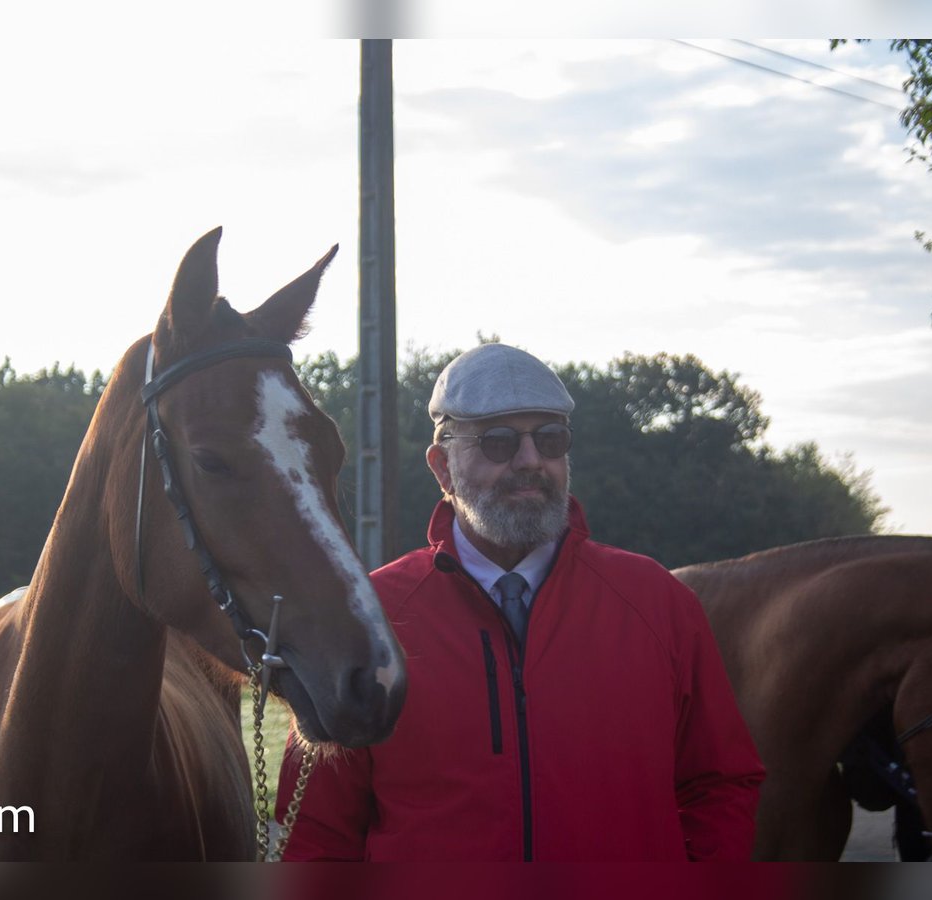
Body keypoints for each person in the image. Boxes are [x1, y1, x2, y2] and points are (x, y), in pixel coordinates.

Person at [274, 342, 764, 861]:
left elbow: (722, 784)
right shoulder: (368, 621)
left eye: (550, 439)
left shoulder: (658, 602)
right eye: (498, 442)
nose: (531, 461)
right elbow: (315, 833)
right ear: (442, 468)